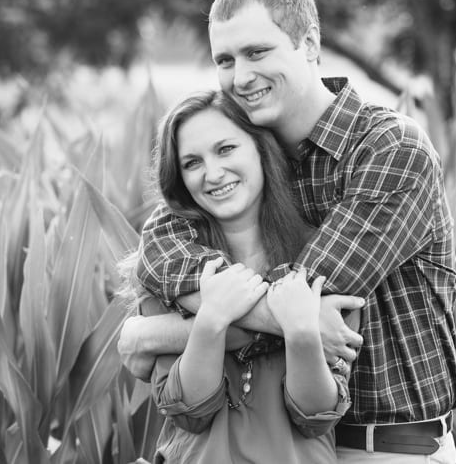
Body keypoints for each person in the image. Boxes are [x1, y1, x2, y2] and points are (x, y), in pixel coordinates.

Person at [119, 0, 456, 463]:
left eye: (258, 52)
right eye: (225, 60)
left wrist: (150, 333)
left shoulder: (388, 148)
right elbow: (162, 250)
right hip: (286, 447)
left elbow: (303, 295)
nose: (241, 76)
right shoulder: (247, 156)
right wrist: (163, 321)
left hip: (386, 447)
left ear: (309, 44)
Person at [119, 90, 355, 463]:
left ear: (261, 149)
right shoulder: (173, 273)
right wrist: (211, 320)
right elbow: (189, 412)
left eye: (226, 149)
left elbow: (316, 417)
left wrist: (302, 333)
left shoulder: (321, 257)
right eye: (192, 162)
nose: (213, 174)